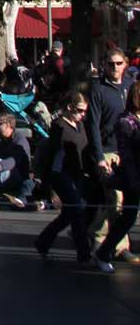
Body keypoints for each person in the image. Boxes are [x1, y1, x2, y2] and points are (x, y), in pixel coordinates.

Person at [35, 91, 100, 267]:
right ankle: (83, 255)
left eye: (85, 111)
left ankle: (43, 241)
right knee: (76, 211)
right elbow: (53, 157)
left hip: (78, 175)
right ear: (70, 107)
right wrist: (52, 189)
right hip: (61, 175)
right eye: (80, 110)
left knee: (71, 213)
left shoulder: (81, 125)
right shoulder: (59, 127)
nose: (83, 114)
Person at [87, 46, 131, 261]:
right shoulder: (98, 89)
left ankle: (96, 231)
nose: (114, 68)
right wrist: (100, 157)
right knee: (116, 199)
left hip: (130, 151)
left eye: (118, 63)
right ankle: (120, 246)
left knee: (124, 202)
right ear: (104, 66)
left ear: (125, 64)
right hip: (109, 150)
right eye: (110, 64)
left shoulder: (131, 86)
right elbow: (93, 125)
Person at [95, 80, 140, 273]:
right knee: (127, 217)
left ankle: (104, 252)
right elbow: (128, 153)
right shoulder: (126, 121)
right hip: (134, 175)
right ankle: (103, 253)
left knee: (128, 216)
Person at [0, 113, 35, 209]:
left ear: (8, 125)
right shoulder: (0, 140)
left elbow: (14, 160)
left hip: (16, 175)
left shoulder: (19, 140)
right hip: (2, 175)